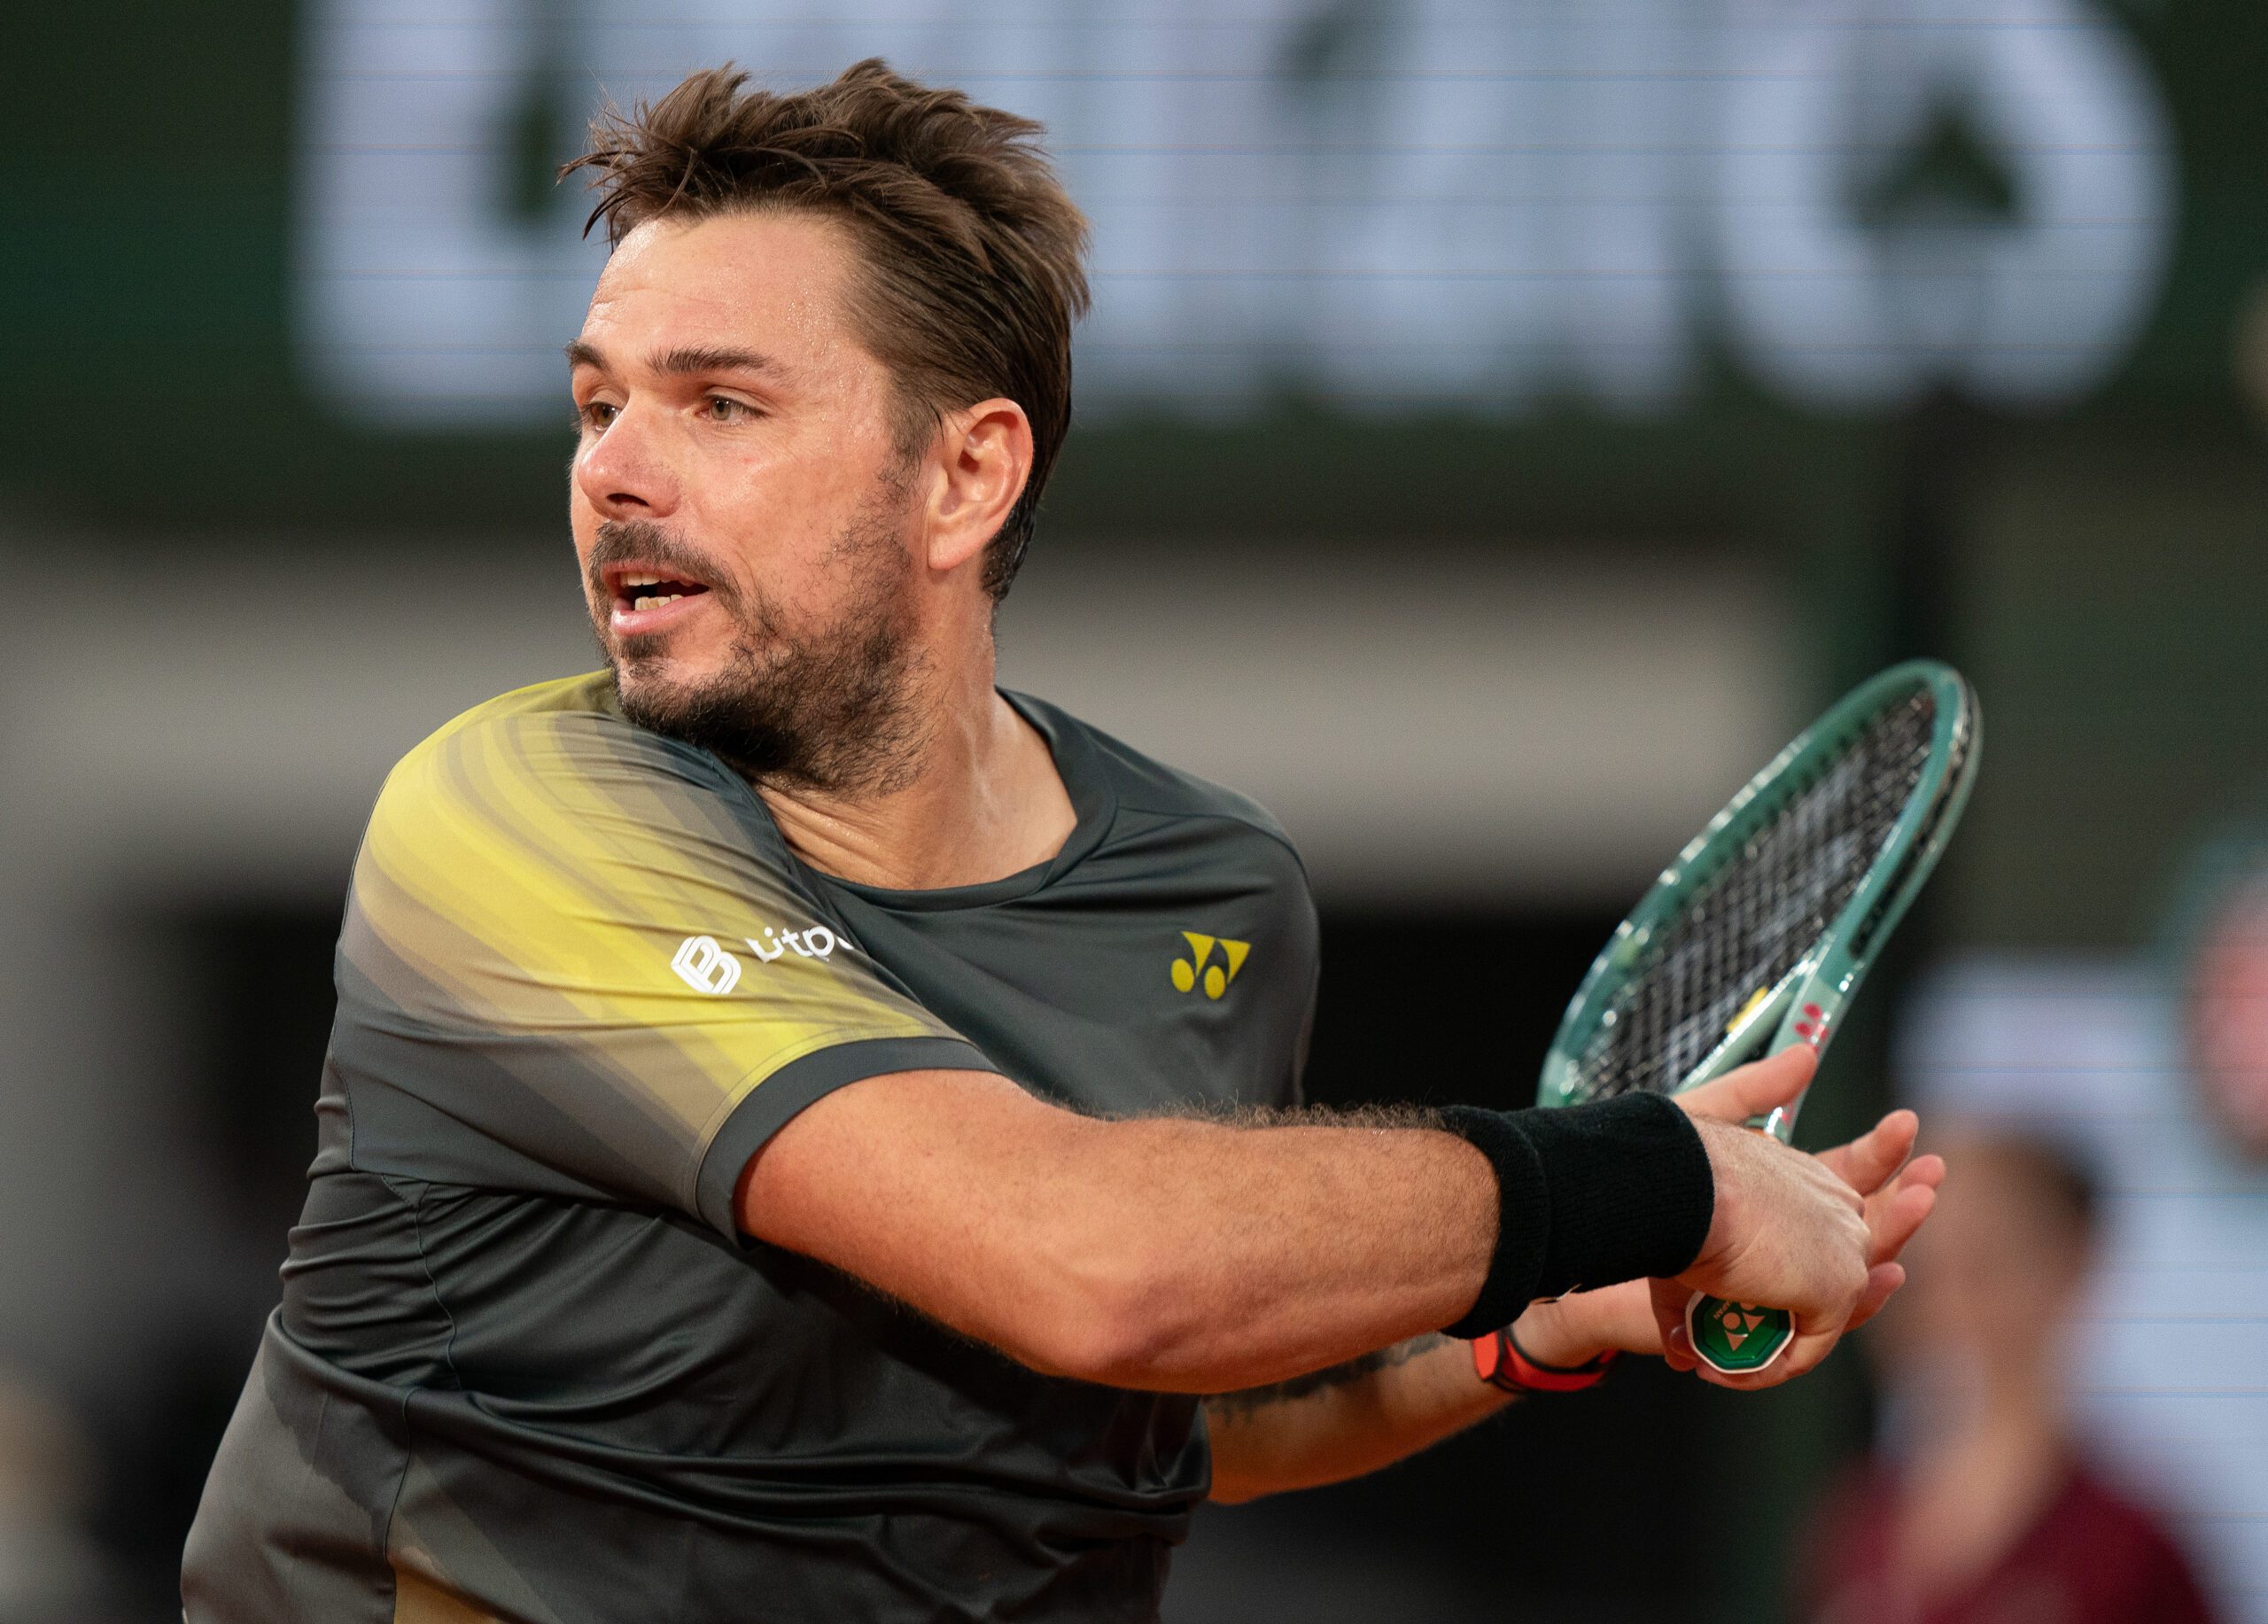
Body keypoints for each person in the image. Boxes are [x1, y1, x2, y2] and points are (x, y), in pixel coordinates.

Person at [182, 61, 1943, 1622]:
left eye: (718, 402)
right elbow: (1093, 1271)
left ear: (963, 477)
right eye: (597, 401)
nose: (615, 468)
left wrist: (1529, 1319)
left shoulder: (1212, 892)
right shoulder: (517, 823)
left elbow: (1160, 1413)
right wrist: (1643, 1177)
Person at [1799, 1130, 2218, 1624]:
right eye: (1917, 1276)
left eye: (1984, 1270)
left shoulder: (2124, 1553)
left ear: (2066, 1271)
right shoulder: (1856, 1531)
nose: (1948, 1312)